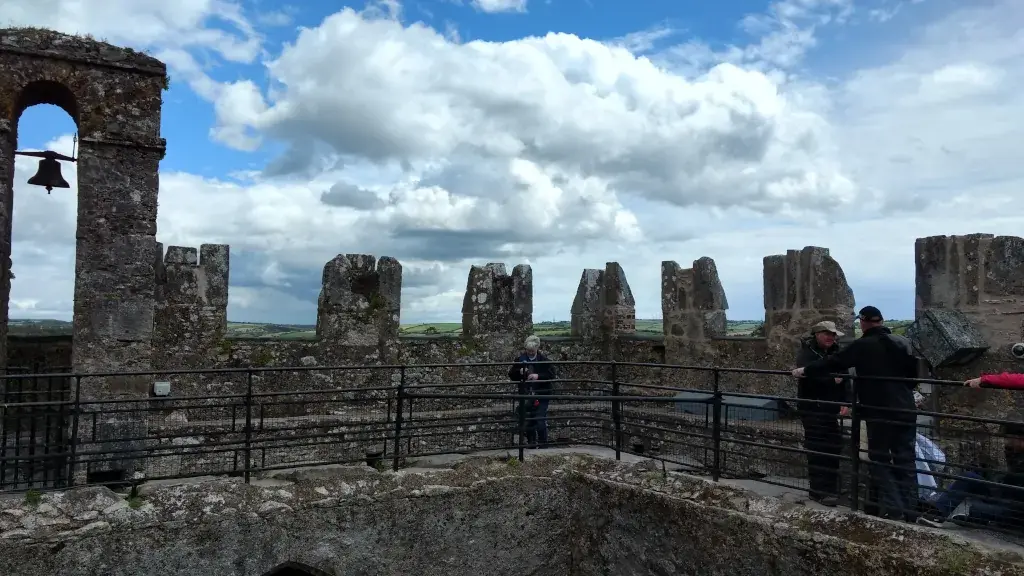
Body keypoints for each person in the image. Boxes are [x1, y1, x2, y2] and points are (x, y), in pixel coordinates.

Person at [791, 306, 920, 522]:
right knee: (906, 461)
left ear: (863, 322)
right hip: (906, 409)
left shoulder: (862, 345)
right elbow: (913, 378)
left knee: (879, 459)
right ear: (882, 321)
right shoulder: (902, 343)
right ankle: (911, 512)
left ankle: (895, 510)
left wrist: (805, 371)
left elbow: (834, 362)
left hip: (879, 411)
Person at [918, 422, 1024, 531]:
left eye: (1011, 439)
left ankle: (977, 518)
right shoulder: (1014, 453)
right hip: (1003, 493)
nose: (1008, 443)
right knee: (969, 478)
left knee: (979, 509)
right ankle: (937, 513)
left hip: (1016, 506)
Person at [795, 320, 848, 506]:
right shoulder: (806, 354)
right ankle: (818, 491)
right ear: (817, 334)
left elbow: (845, 376)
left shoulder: (835, 353)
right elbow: (807, 378)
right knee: (817, 449)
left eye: (833, 335)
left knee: (833, 446)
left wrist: (845, 401)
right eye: (827, 333)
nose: (831, 337)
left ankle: (831, 487)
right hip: (812, 409)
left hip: (830, 408)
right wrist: (832, 381)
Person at [507, 335, 556, 448]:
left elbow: (551, 374)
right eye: (528, 350)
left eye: (532, 351)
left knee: (539, 419)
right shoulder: (519, 360)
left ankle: (543, 446)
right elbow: (511, 375)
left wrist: (538, 376)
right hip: (526, 395)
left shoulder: (544, 360)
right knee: (528, 421)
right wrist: (519, 371)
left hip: (541, 394)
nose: (529, 353)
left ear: (537, 348)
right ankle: (531, 445)